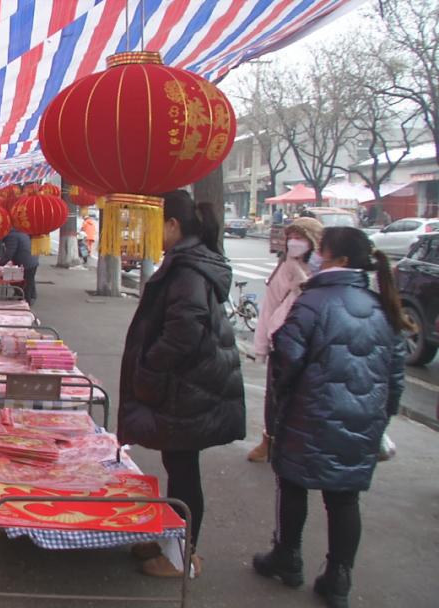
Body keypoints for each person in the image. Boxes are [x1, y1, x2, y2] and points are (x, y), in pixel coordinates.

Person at [252, 227, 406, 608]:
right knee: (344, 499)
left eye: (320, 250)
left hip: (309, 413)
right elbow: (396, 375)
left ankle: (288, 556)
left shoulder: (312, 302)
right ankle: (338, 578)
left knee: (292, 484)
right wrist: (378, 419)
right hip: (362, 419)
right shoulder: (381, 305)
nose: (314, 255)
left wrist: (282, 404)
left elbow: (285, 357)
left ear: (336, 259)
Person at [118, 190, 245, 578]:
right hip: (190, 384)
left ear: (173, 225)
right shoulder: (187, 261)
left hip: (188, 387)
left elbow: (183, 331)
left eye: (153, 226)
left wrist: (149, 370)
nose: (148, 234)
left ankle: (182, 556)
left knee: (184, 468)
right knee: (179, 464)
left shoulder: (188, 269)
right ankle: (172, 540)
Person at [247, 217, 324, 462]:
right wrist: (260, 345)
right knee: (275, 395)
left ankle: (304, 446)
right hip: (282, 342)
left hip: (315, 345)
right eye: (290, 237)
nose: (293, 243)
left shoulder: (324, 270)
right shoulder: (284, 267)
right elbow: (269, 307)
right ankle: (270, 440)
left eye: (299, 238)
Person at [0, 227, 39, 303]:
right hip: (32, 260)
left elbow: (9, 253)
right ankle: (29, 297)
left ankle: (26, 302)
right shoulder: (19, 231)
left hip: (27, 262)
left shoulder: (12, 236)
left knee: (25, 284)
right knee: (29, 281)